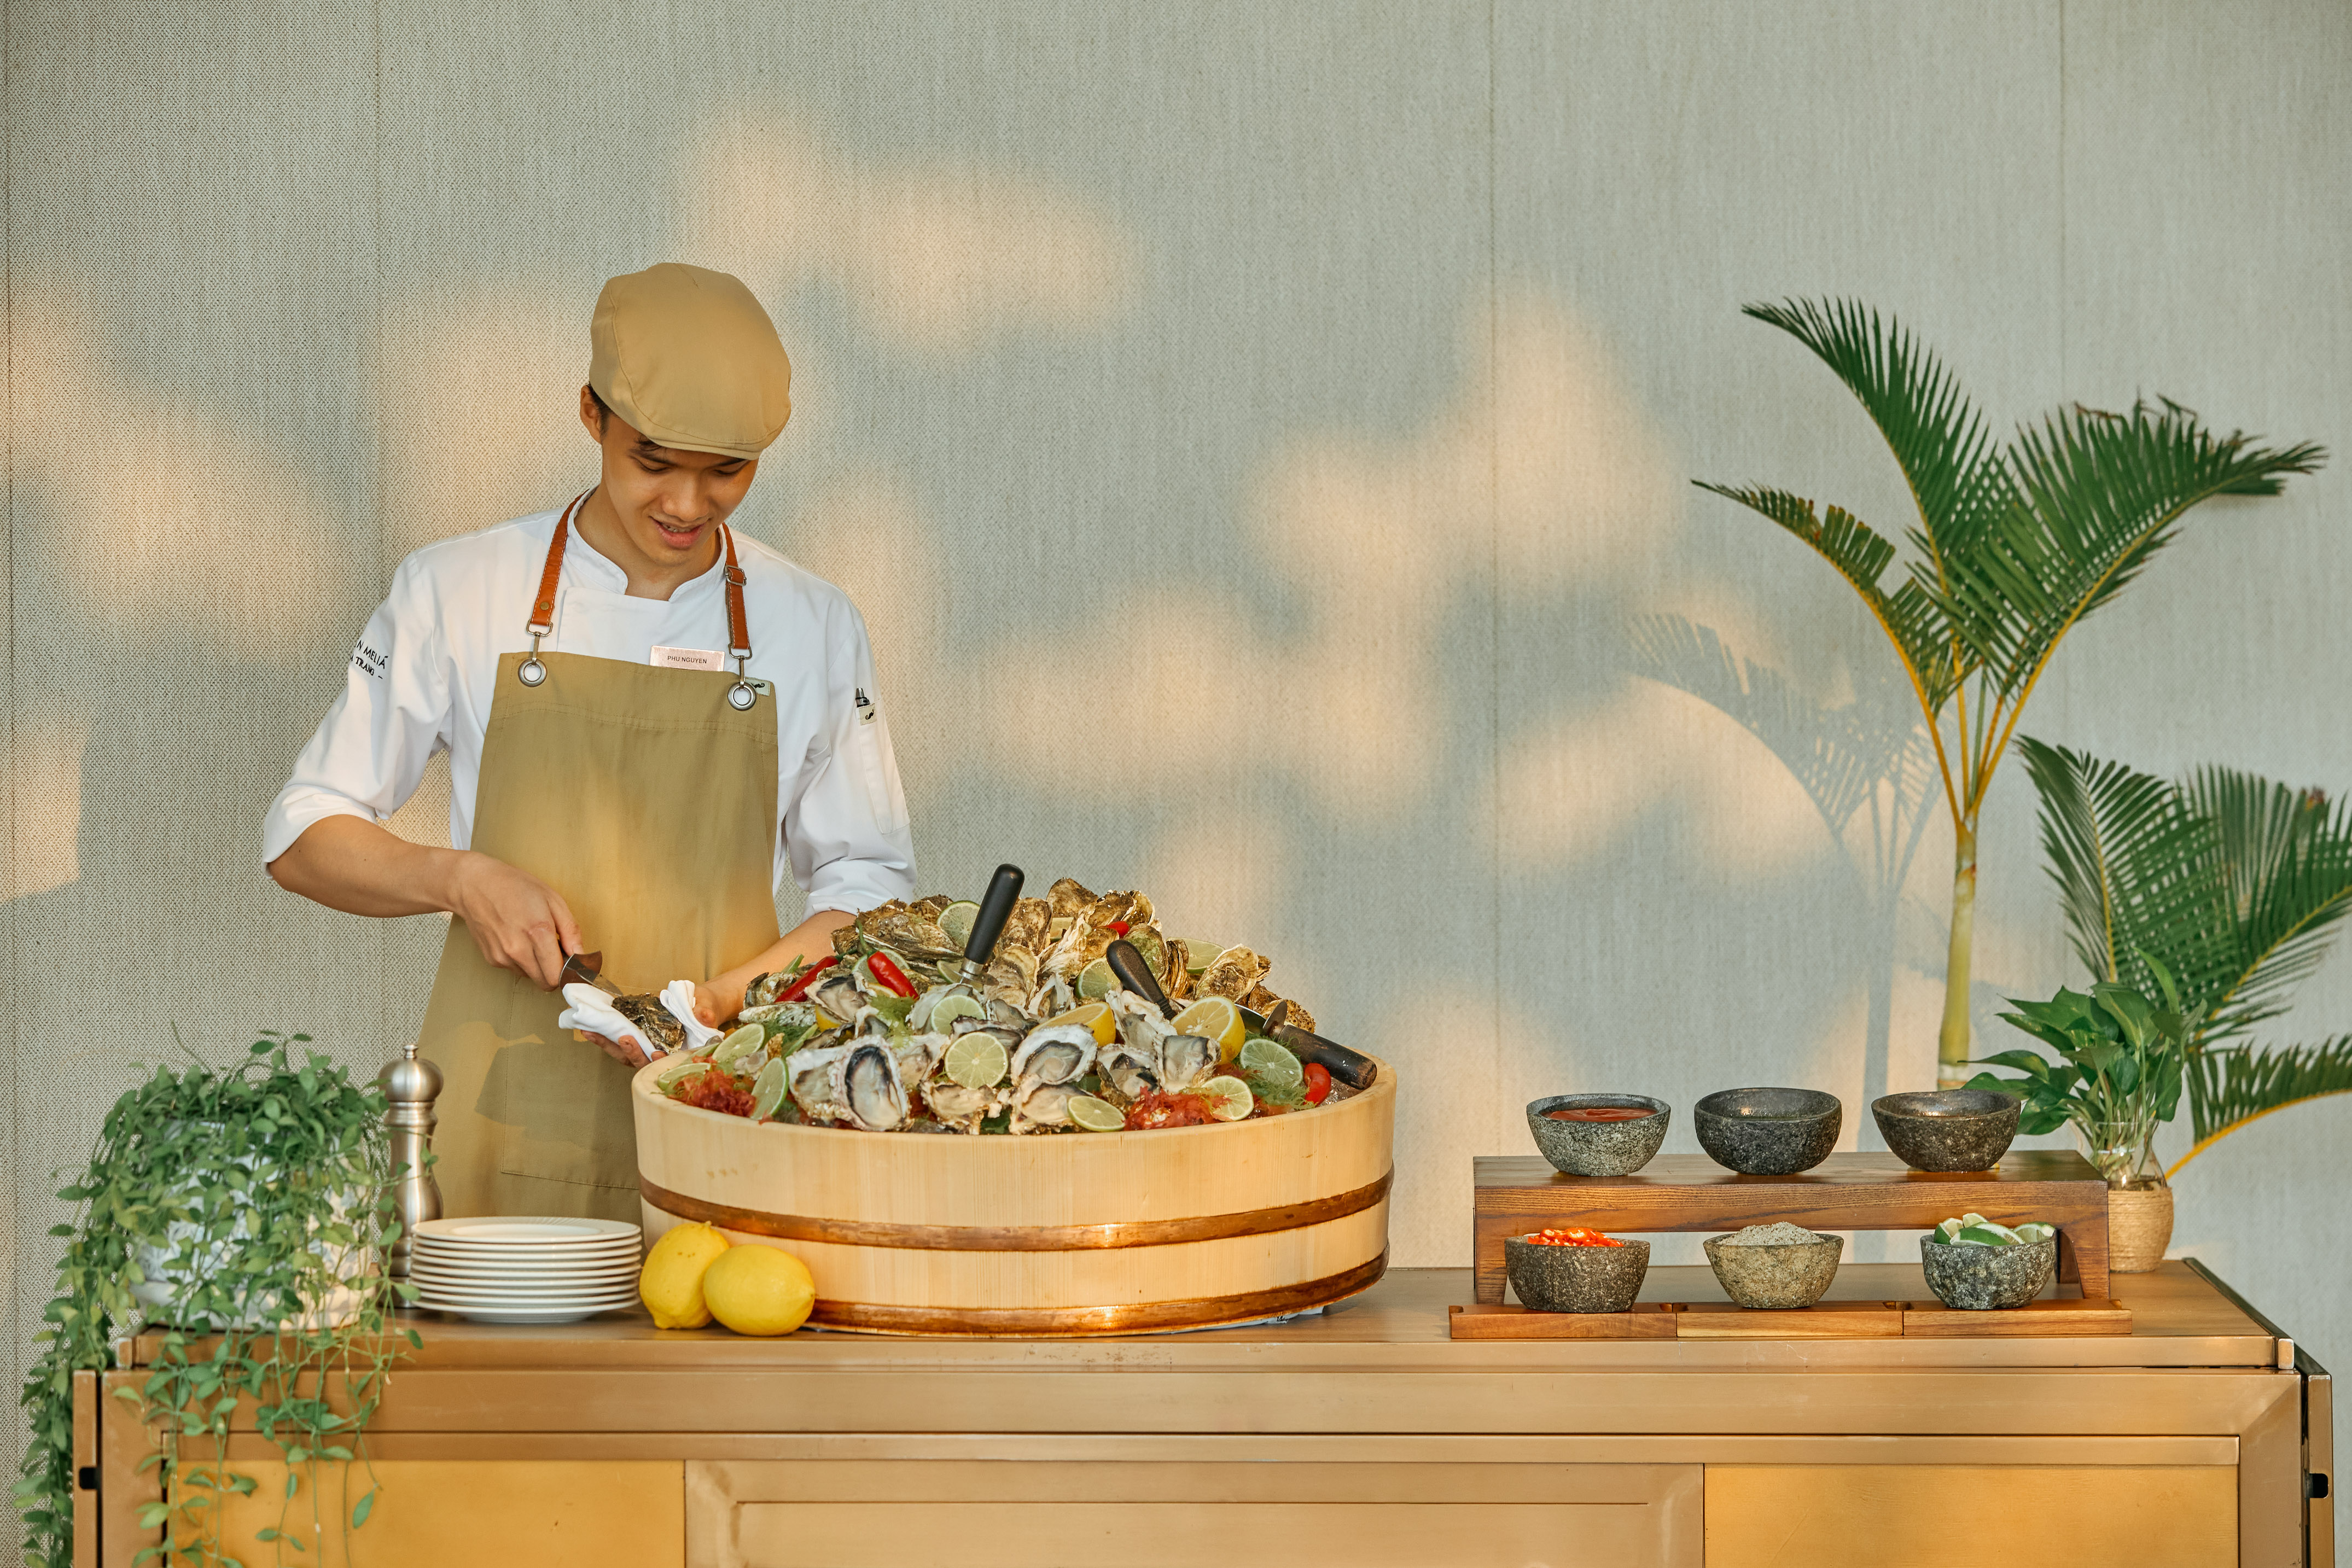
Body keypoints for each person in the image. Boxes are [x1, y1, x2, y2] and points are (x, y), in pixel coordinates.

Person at [264, 263, 915, 1221]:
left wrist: (716, 1006)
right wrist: (461, 879)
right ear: (591, 415)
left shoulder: (812, 622)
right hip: (502, 1110)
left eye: (725, 472)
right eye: (654, 460)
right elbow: (301, 833)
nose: (688, 506)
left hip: (724, 1108)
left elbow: (871, 891)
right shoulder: (459, 588)